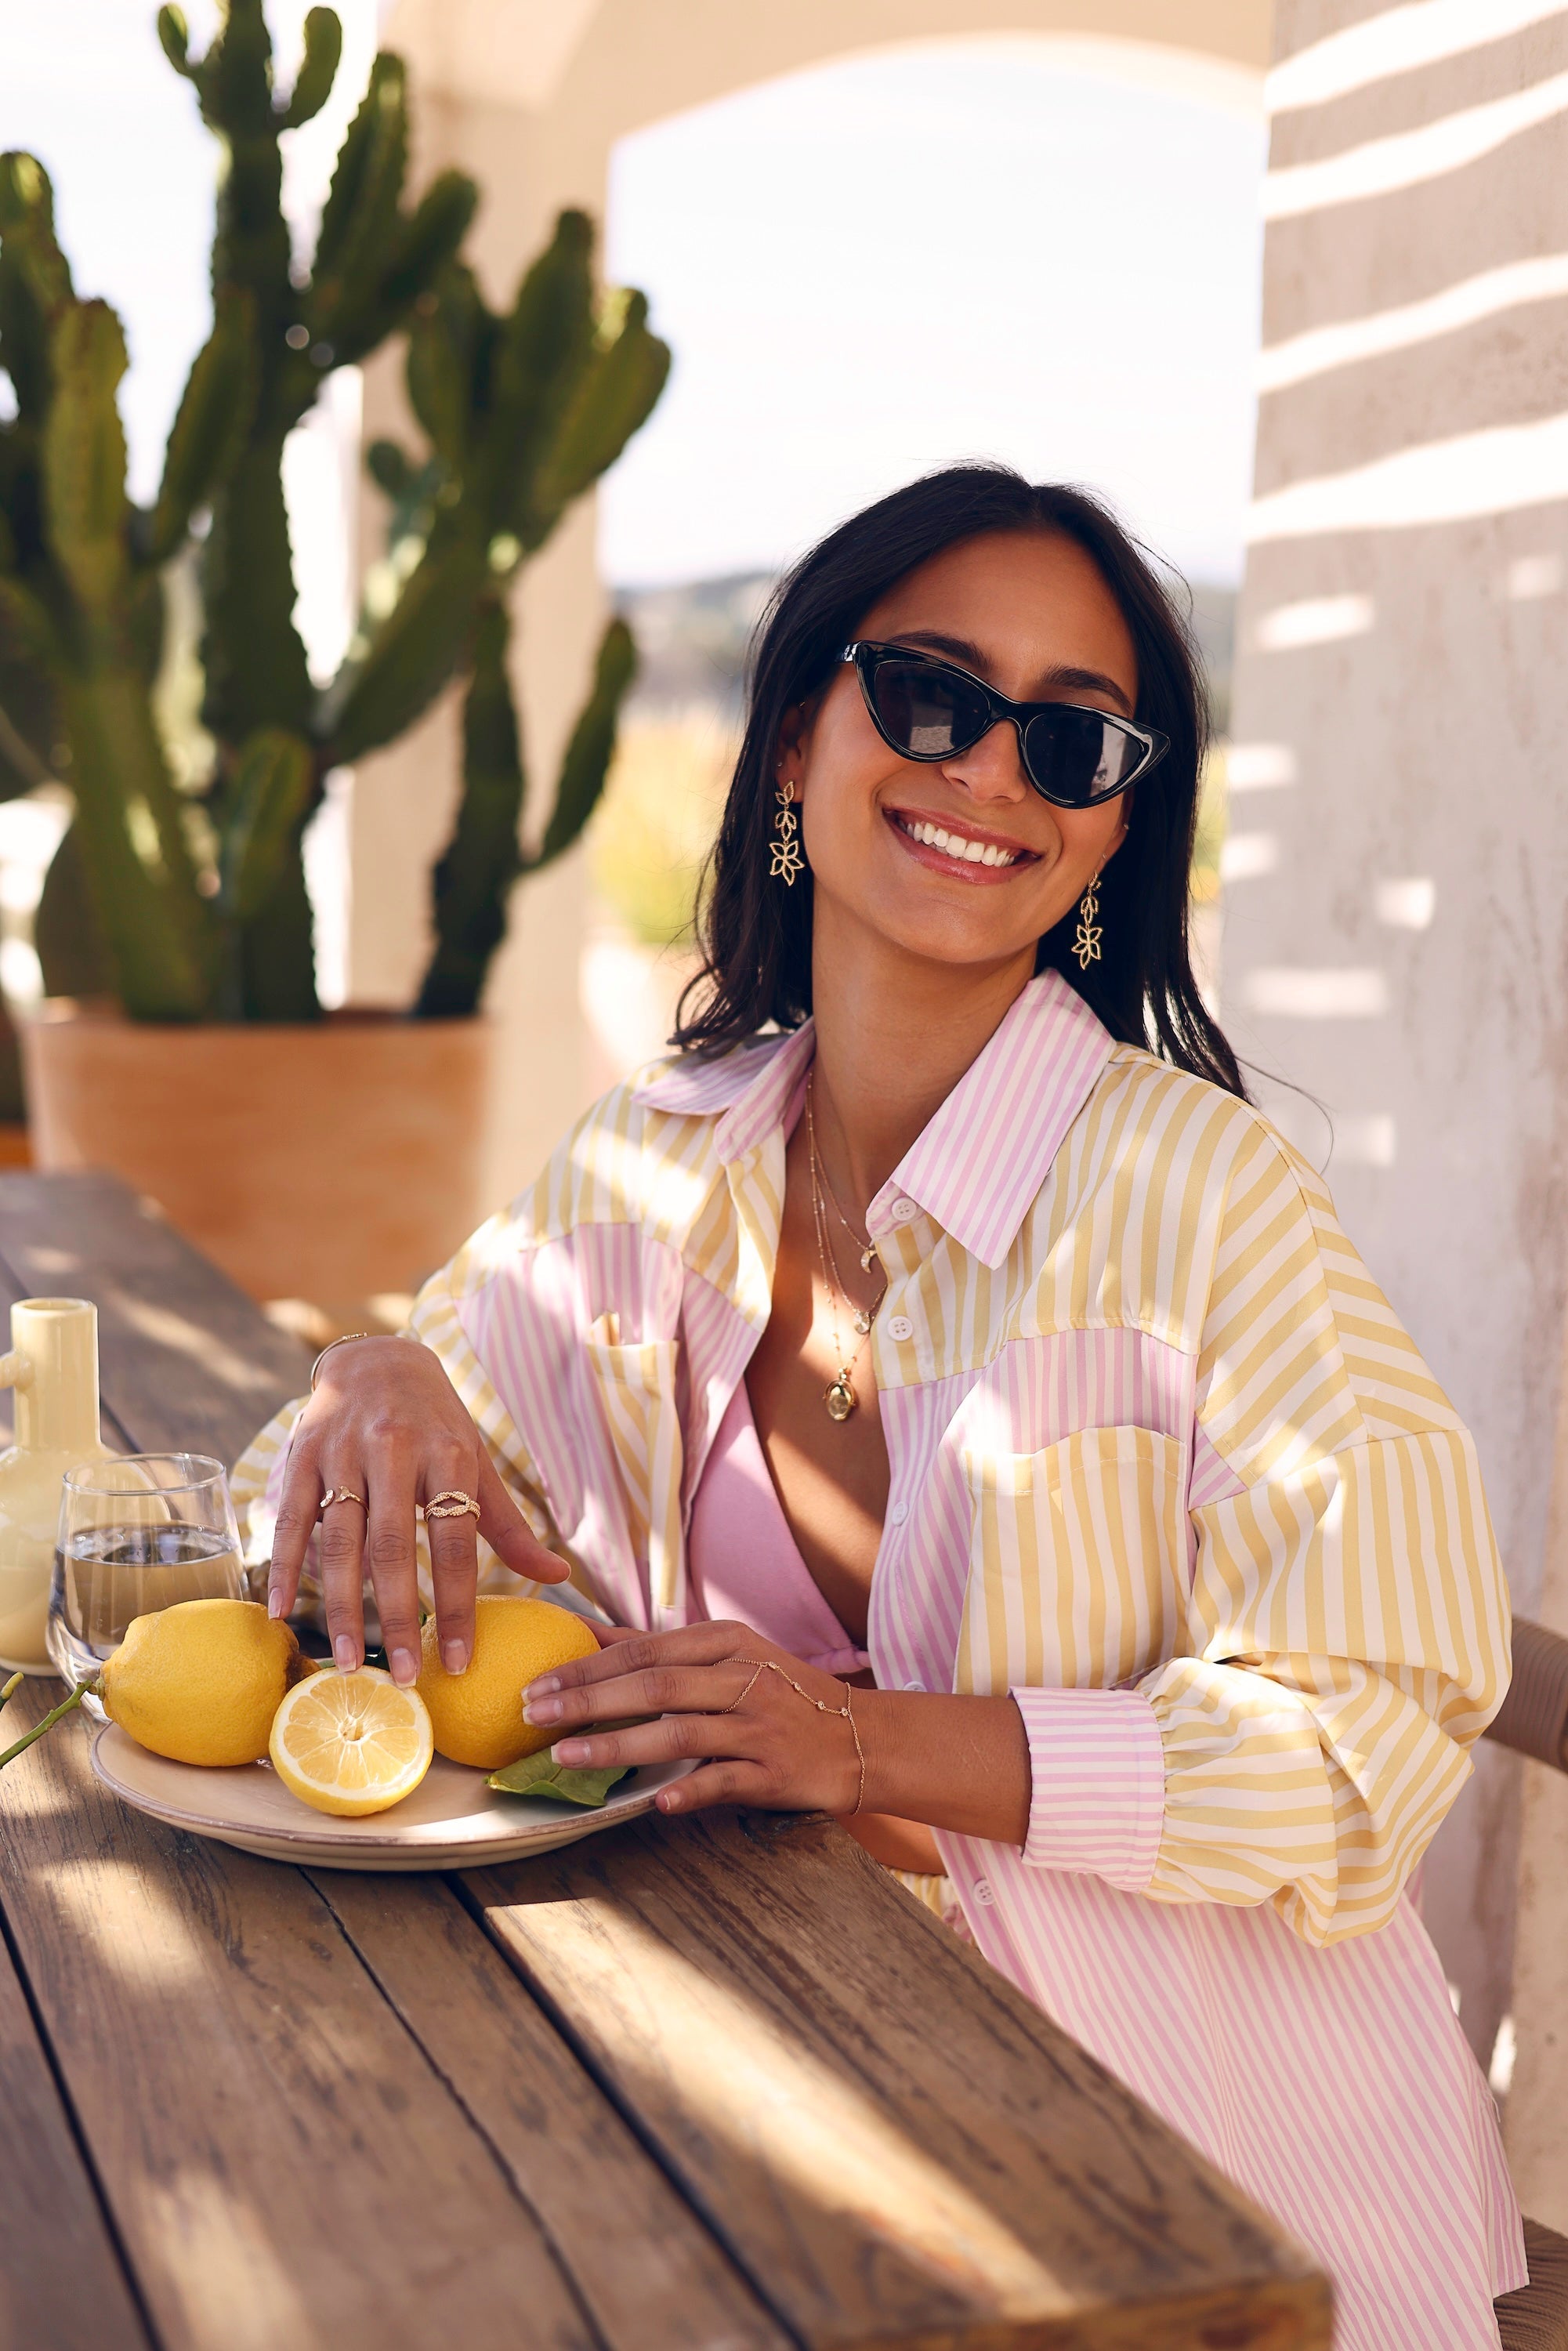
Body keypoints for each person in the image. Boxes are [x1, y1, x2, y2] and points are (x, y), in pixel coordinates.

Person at [235, 465, 1521, 2349]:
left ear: (1109, 825)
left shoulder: (1207, 1202)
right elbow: (333, 1509)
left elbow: (1363, 1744)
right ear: (788, 749)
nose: (990, 768)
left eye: (1072, 741)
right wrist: (371, 1370)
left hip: (1178, 2183)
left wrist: (861, 1745)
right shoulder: (651, 1161)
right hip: (751, 2064)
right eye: (928, 694)